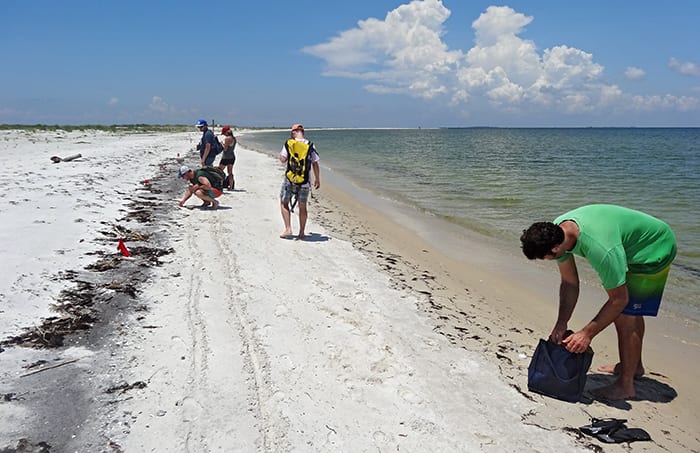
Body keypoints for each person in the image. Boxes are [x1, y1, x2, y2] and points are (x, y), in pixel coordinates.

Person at [520, 204, 677, 400]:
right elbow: (569, 283)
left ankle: (626, 384)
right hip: (629, 243)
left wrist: (587, 334)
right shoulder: (559, 231)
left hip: (654, 248)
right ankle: (634, 366)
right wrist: (562, 322)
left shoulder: (602, 249)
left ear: (555, 248)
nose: (548, 261)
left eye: (546, 258)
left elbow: (619, 300)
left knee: (626, 314)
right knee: (625, 313)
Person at [279, 124, 320, 239]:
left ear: (293, 132)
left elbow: (282, 160)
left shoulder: (289, 143)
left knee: (284, 202)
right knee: (302, 206)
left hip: (290, 180)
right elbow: (315, 163)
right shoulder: (310, 145)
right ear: (302, 132)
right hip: (305, 181)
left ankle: (288, 229)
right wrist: (317, 179)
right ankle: (301, 232)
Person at [218, 125, 237, 190]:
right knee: (230, 172)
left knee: (219, 171)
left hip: (226, 157)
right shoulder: (234, 138)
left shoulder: (227, 139)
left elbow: (225, 149)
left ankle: (220, 185)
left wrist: (221, 144)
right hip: (232, 156)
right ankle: (231, 187)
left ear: (226, 132)